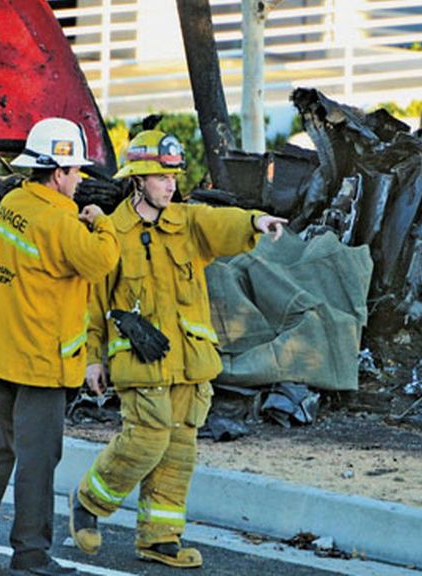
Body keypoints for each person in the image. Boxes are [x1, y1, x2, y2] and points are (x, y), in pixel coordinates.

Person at [69, 129, 287, 568]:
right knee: (146, 441)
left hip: (189, 364)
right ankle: (89, 502)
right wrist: (93, 358)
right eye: (160, 177)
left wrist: (254, 221)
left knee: (178, 451)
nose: (170, 185)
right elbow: (94, 305)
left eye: (173, 177)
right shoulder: (112, 232)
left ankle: (160, 537)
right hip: (140, 363)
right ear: (138, 181)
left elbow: (220, 223)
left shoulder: (187, 222)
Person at [0, 117, 120, 576]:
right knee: (37, 463)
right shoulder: (60, 220)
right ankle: (30, 554)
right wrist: (102, 224)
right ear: (56, 173)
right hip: (42, 363)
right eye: (74, 172)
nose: (79, 181)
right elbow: (101, 262)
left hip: (3, 354)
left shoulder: (13, 203)